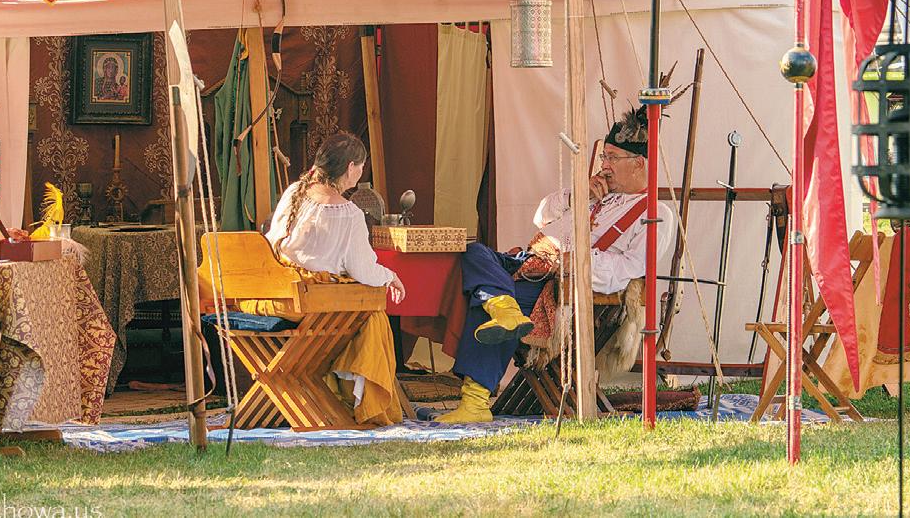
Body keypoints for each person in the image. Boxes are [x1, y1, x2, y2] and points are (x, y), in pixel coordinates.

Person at [437, 106, 675, 423]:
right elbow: (540, 216)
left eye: (612, 158)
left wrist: (576, 261)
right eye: (604, 157)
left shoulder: (656, 214)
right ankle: (503, 306)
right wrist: (578, 195)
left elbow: (627, 270)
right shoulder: (596, 192)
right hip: (532, 262)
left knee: (494, 293)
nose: (604, 165)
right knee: (473, 252)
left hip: (561, 285)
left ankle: (476, 401)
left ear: (638, 163)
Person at [266, 131, 406, 426]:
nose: (362, 171)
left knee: (362, 311)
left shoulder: (294, 193)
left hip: (277, 297)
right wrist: (390, 276)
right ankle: (358, 400)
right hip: (314, 308)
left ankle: (332, 392)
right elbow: (362, 270)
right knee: (373, 315)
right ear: (351, 167)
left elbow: (272, 241)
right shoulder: (348, 214)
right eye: (361, 165)